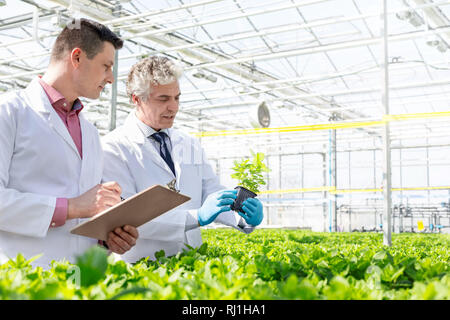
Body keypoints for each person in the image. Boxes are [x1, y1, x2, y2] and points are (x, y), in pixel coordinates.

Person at [0, 18, 138, 269]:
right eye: (106, 66)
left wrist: (107, 237)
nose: (111, 79)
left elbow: (85, 211)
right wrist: (72, 207)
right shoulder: (9, 112)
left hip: (80, 278)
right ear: (77, 58)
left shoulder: (90, 132)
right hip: (25, 280)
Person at [101, 56, 263, 263]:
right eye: (163, 99)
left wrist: (243, 216)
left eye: (177, 98)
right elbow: (127, 218)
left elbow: (211, 192)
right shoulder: (113, 147)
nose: (173, 107)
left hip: (191, 264)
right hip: (142, 268)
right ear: (137, 99)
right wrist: (196, 217)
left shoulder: (189, 144)